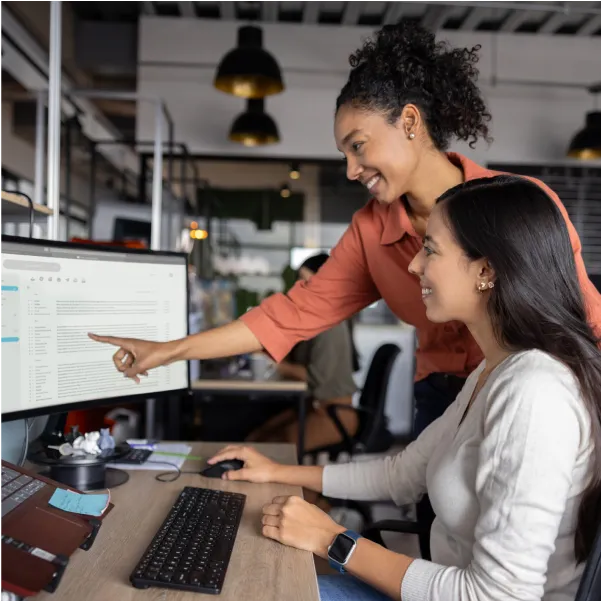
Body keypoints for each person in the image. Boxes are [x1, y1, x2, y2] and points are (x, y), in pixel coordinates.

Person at [88, 23, 601, 556]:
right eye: (345, 155)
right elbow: (290, 314)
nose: (352, 170)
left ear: (409, 122)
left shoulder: (518, 210)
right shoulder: (371, 233)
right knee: (446, 545)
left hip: (533, 402)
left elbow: (582, 321)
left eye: (358, 147)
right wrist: (169, 351)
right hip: (450, 401)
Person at [204, 176, 601, 601]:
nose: (414, 266)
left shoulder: (534, 392)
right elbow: (401, 475)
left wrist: (333, 539)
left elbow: (498, 595)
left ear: (486, 270)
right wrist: (277, 473)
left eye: (430, 249)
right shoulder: (494, 370)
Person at [246, 253, 360, 452]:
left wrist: (278, 365)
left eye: (306, 282)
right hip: (312, 407)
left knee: (271, 448)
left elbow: (317, 378)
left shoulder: (331, 325)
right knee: (256, 437)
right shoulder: (313, 320)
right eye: (298, 280)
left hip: (333, 414)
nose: (298, 287)